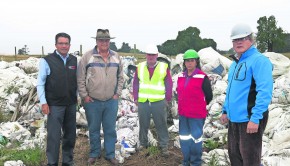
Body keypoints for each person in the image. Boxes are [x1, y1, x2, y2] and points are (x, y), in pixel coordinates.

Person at [220, 23, 273, 166]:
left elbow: (265, 92)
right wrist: (225, 110)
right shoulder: (235, 63)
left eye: (242, 39)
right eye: (235, 40)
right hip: (234, 119)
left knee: (250, 160)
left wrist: (255, 118)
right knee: (235, 157)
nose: (238, 42)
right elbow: (231, 89)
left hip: (249, 118)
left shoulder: (259, 61)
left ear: (251, 39)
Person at [77, 29, 123, 166]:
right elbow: (80, 78)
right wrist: (84, 96)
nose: (104, 43)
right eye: (101, 40)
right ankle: (94, 153)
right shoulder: (87, 57)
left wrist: (117, 94)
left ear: (109, 41)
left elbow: (121, 77)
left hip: (111, 100)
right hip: (92, 101)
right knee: (94, 128)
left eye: (106, 40)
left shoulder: (116, 57)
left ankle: (110, 154)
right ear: (96, 41)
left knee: (110, 129)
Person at [37, 32, 77, 166]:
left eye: (66, 43)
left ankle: (68, 161)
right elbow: (40, 83)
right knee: (54, 136)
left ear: (70, 45)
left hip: (71, 104)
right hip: (54, 105)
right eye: (61, 43)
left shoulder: (74, 60)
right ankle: (52, 163)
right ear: (56, 45)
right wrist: (43, 103)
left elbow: (76, 81)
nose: (64, 46)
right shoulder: (47, 60)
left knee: (70, 135)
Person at [133, 44, 173, 157]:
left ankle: (163, 145)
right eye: (149, 55)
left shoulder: (163, 67)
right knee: (143, 124)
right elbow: (135, 82)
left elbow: (169, 83)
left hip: (159, 101)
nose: (151, 57)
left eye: (153, 55)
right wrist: (135, 97)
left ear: (156, 55)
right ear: (146, 55)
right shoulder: (140, 67)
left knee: (161, 124)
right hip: (143, 101)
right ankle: (143, 144)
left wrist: (168, 98)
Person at [176, 49, 213, 166]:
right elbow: (179, 93)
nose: (189, 63)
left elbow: (209, 96)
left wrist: (198, 105)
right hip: (183, 114)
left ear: (196, 62)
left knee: (196, 139)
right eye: (187, 61)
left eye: (192, 61)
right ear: (184, 63)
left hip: (196, 115)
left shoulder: (202, 77)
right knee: (184, 138)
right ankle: (186, 161)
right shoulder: (181, 76)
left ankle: (195, 162)